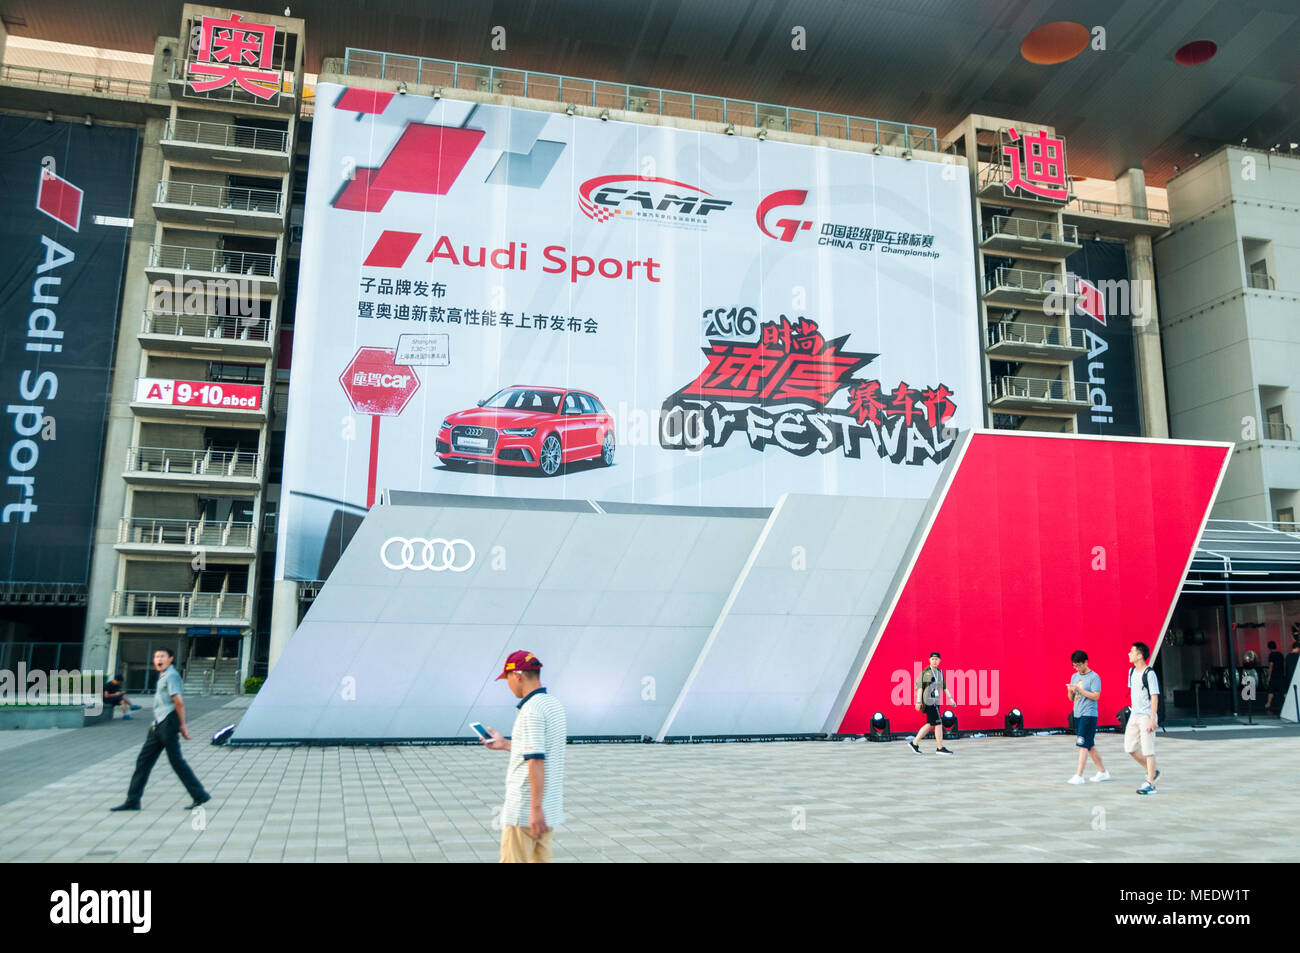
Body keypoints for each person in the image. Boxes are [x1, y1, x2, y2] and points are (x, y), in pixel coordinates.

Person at [480, 650, 566, 863]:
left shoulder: (531, 710)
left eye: (507, 678)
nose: (508, 685)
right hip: (548, 809)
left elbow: (536, 759)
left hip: (525, 810)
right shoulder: (553, 705)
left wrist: (534, 809)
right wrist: (506, 744)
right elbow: (541, 750)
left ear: (517, 675)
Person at [110, 648, 211, 811]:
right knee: (143, 761)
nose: (159, 659)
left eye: (162, 656)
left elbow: (178, 701)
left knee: (176, 761)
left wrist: (182, 725)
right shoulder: (164, 675)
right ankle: (133, 800)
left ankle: (199, 795)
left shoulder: (171, 676)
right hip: (158, 724)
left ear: (170, 659)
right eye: (156, 656)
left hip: (168, 723)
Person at [1065, 650, 1109, 784]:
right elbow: (1070, 699)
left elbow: (1096, 696)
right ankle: (1102, 772)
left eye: (1079, 665)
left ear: (1086, 662)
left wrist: (1080, 690)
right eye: (1074, 666)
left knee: (1082, 744)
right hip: (1077, 713)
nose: (1077, 668)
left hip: (1089, 714)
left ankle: (1079, 775)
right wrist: (1070, 691)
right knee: (1088, 745)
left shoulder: (1094, 677)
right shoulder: (1074, 677)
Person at [1125, 642, 1160, 796]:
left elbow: (1154, 697)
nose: (1129, 654)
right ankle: (1151, 771)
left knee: (1148, 750)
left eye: (1132, 651)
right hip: (1134, 716)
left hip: (1146, 716)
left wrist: (1152, 719)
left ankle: (1150, 783)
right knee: (1130, 748)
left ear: (1140, 655)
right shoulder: (1131, 672)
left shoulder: (1149, 673)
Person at [908, 651, 956, 756]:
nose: (934, 661)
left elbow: (943, 687)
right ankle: (940, 747)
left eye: (936, 659)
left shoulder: (939, 672)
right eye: (932, 659)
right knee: (938, 722)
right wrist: (918, 701)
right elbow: (920, 687)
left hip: (936, 701)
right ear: (929, 660)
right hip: (928, 701)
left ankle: (914, 743)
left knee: (931, 724)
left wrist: (950, 698)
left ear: (940, 661)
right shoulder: (926, 672)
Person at [1265, 640, 1286, 714]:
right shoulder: (1280, 654)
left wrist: (1269, 677)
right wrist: (1284, 674)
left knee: (1271, 690)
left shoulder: (1271, 655)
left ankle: (1268, 704)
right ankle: (1288, 703)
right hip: (1280, 675)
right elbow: (1284, 665)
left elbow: (1271, 666)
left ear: (1269, 648)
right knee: (1283, 691)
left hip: (1274, 676)